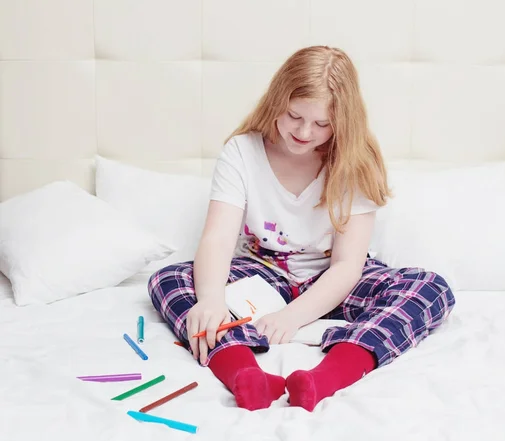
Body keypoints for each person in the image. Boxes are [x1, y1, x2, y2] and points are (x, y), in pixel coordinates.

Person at [148, 46, 455, 412]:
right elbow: (218, 237)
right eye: (294, 116)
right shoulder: (242, 152)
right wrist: (212, 300)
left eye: (322, 124)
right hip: (262, 274)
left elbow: (346, 265)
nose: (305, 132)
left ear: (342, 122)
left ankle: (326, 378)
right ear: (277, 101)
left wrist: (291, 318)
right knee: (171, 279)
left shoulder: (357, 159)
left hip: (332, 280)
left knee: (430, 287)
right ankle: (244, 373)